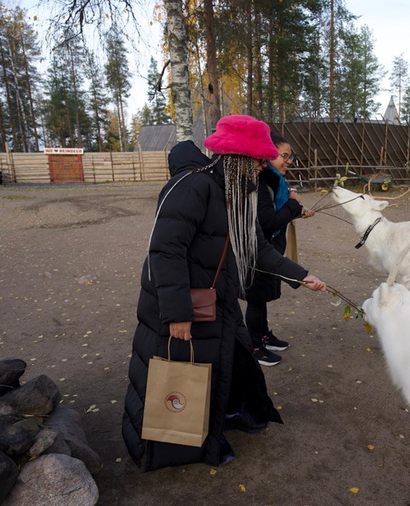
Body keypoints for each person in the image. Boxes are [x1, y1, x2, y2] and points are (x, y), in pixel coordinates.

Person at [122, 115, 327, 472]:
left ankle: (228, 417)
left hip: (220, 301)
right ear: (239, 158)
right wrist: (178, 314)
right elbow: (165, 251)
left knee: (231, 361)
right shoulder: (194, 188)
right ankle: (182, 445)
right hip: (186, 305)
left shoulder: (236, 193)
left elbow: (259, 247)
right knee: (184, 376)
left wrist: (302, 275)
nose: (264, 166)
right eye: (259, 160)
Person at [245, 133, 313, 366]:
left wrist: (297, 209)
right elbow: (269, 221)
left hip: (268, 248)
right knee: (255, 298)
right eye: (284, 156)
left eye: (290, 157)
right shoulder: (262, 183)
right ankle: (254, 345)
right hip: (257, 251)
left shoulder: (275, 182)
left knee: (261, 296)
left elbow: (277, 211)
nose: (288, 161)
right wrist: (293, 203)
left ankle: (263, 335)